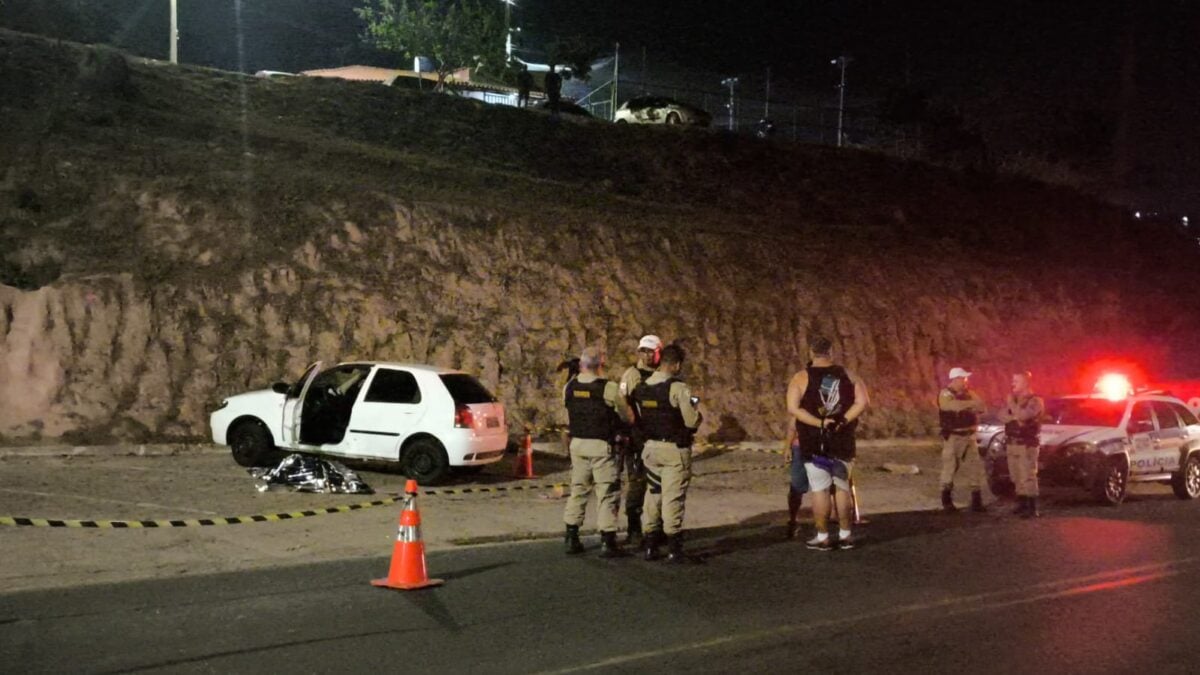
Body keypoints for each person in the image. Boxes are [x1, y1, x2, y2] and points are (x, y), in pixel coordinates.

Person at [785, 336, 869, 551]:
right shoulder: (849, 375)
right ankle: (846, 535)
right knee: (842, 488)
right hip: (842, 440)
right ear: (832, 352)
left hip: (814, 443)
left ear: (811, 352)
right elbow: (863, 402)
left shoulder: (801, 377)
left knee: (820, 490)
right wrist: (842, 420)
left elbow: (793, 408)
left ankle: (822, 536)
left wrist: (819, 422)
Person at [631, 344, 702, 563]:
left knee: (653, 495)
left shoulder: (643, 386)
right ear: (677, 364)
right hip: (673, 451)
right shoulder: (678, 388)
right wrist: (697, 414)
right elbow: (691, 420)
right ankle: (674, 548)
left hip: (650, 450)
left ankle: (650, 544)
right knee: (673, 498)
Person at [562, 346, 629, 557]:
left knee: (578, 490)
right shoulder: (608, 388)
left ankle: (571, 536)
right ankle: (608, 541)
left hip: (578, 445)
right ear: (601, 363)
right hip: (601, 446)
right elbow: (626, 415)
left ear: (582, 364)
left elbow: (569, 410)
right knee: (607, 492)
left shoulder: (570, 386)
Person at [617, 334, 662, 546]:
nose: (645, 355)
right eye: (642, 351)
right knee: (637, 483)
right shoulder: (632, 374)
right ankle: (634, 528)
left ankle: (656, 528)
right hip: (638, 438)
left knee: (659, 486)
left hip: (658, 438)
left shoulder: (662, 375)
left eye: (649, 351)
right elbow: (623, 404)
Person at [937, 367, 988, 513]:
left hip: (969, 436)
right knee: (950, 468)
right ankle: (946, 502)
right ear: (956, 379)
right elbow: (949, 406)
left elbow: (982, 407)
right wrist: (970, 404)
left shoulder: (969, 393)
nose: (966, 381)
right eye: (963, 378)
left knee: (974, 468)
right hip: (954, 437)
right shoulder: (946, 393)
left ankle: (977, 501)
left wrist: (967, 405)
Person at [1002, 371, 1045, 518]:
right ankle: (1021, 503)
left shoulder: (1035, 401)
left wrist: (1013, 408)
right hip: (1012, 442)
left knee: (1028, 475)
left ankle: (1032, 508)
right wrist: (1016, 415)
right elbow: (1001, 415)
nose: (1012, 383)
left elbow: (1024, 416)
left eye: (1016, 381)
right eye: (1012, 380)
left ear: (1026, 383)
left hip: (1027, 444)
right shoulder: (1015, 400)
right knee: (1016, 475)